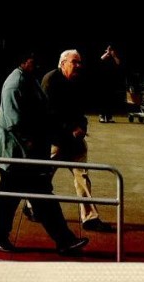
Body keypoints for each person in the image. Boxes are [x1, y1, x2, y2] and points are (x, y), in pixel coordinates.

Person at [0, 49, 89, 256]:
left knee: (35, 197)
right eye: (34, 60)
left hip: (25, 153)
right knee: (19, 198)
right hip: (16, 153)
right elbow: (15, 123)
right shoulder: (15, 84)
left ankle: (63, 240)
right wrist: (34, 144)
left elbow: (44, 112)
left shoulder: (29, 79)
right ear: (24, 61)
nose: (37, 64)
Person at [41, 49, 113, 233]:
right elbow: (49, 114)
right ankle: (32, 205)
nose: (78, 66)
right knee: (43, 177)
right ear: (63, 63)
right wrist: (70, 130)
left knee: (82, 177)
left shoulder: (76, 81)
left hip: (74, 141)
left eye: (80, 62)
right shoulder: (50, 81)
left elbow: (81, 110)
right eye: (75, 62)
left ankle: (90, 217)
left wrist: (82, 128)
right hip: (56, 140)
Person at [97, 45, 122, 123]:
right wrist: (107, 53)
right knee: (103, 99)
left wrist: (114, 56)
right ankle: (101, 116)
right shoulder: (104, 54)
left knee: (111, 99)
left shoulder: (114, 56)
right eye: (108, 48)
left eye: (110, 48)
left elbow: (118, 63)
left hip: (112, 81)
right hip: (102, 81)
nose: (109, 49)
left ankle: (109, 117)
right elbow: (100, 60)